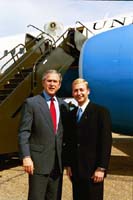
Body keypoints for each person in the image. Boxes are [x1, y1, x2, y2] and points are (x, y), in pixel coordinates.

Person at [18, 69, 68, 200]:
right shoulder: (31, 103)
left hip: (58, 163)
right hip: (38, 162)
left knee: (54, 197)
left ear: (59, 85)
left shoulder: (63, 105)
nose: (52, 84)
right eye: (49, 81)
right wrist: (26, 156)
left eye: (55, 81)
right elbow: (24, 132)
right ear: (43, 83)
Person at [66, 78, 112, 200]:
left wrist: (101, 168)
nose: (79, 93)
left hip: (93, 171)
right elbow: (70, 142)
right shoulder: (72, 114)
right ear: (72, 93)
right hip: (76, 171)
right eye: (75, 91)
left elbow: (106, 142)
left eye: (81, 90)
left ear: (88, 91)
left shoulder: (101, 112)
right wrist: (69, 165)